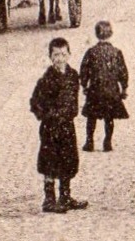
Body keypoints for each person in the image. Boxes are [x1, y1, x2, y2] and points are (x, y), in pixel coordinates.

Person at [29, 37, 88, 213]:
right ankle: (49, 200)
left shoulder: (73, 75)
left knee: (68, 158)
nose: (60, 58)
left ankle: (65, 196)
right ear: (50, 57)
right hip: (51, 127)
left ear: (69, 54)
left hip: (67, 125)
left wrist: (72, 112)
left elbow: (75, 98)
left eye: (63, 54)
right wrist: (48, 116)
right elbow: (35, 103)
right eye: (56, 55)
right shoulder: (46, 80)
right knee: (50, 160)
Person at [78, 20, 129, 152]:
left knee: (91, 118)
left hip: (95, 90)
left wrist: (84, 85)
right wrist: (124, 88)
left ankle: (89, 141)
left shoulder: (91, 52)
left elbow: (84, 70)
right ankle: (107, 142)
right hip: (111, 90)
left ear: (96, 34)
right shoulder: (117, 52)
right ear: (111, 34)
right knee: (109, 118)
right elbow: (123, 71)